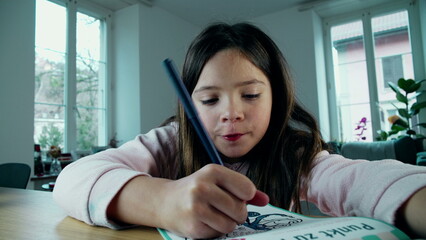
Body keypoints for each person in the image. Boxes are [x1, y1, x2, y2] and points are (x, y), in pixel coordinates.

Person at [53, 22, 426, 239]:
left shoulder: (292, 152)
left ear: (275, 98)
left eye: (249, 95)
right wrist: (163, 201)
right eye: (210, 100)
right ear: (189, 106)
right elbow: (72, 179)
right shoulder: (169, 142)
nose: (231, 113)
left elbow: (361, 180)